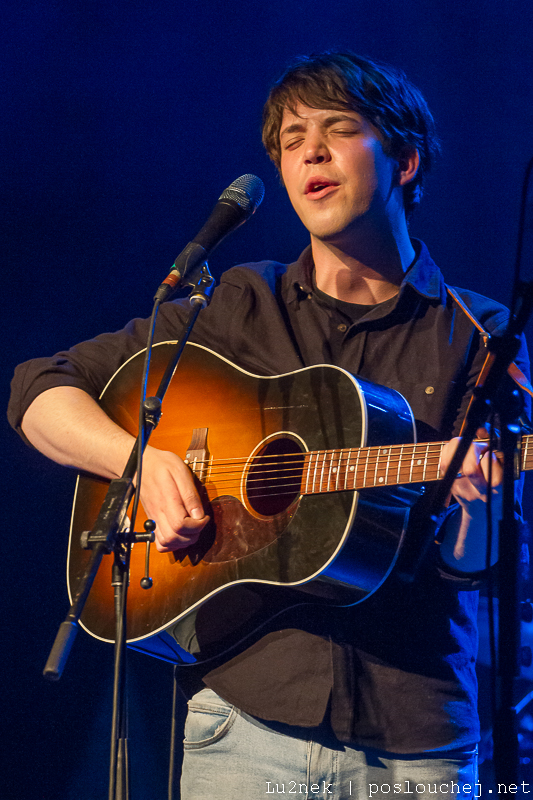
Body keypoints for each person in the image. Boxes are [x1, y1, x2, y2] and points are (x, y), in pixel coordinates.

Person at [8, 52, 530, 799]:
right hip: (241, 728)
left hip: (417, 747)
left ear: (405, 160)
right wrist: (141, 462)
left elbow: (485, 572)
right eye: (290, 140)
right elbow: (37, 389)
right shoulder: (236, 307)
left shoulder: (478, 335)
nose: (309, 151)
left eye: (338, 129)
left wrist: (479, 491)